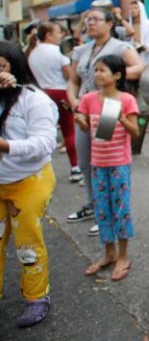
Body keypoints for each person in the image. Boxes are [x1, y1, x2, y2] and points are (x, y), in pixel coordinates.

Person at [65, 9, 143, 236]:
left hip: (109, 106)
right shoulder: (81, 50)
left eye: (96, 19)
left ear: (109, 24)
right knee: (87, 158)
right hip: (85, 104)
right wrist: (74, 100)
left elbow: (138, 69)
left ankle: (111, 213)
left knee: (109, 155)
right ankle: (94, 205)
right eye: (88, 20)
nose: (90, 23)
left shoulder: (120, 47)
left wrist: (112, 77)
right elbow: (72, 80)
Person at [0, 42, 58, 328]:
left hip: (29, 180)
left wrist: (7, 146)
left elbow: (45, 143)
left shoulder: (33, 99)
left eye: (2, 66)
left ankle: (37, 297)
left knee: (27, 242)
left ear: (16, 67)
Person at [76, 55, 140, 282]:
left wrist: (122, 119)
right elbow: (86, 127)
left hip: (119, 163)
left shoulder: (126, 99)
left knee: (120, 208)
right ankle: (108, 253)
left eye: (102, 70)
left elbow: (136, 132)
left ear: (117, 75)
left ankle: (123, 255)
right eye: (96, 70)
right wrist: (80, 121)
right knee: (102, 208)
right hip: (98, 163)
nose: (97, 74)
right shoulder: (89, 99)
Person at [28, 22, 80, 182]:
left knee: (43, 131)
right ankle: (75, 167)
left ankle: (41, 170)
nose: (61, 36)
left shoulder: (32, 53)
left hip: (41, 93)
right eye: (58, 32)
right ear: (49, 35)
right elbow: (68, 76)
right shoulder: (57, 52)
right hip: (60, 93)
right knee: (69, 130)